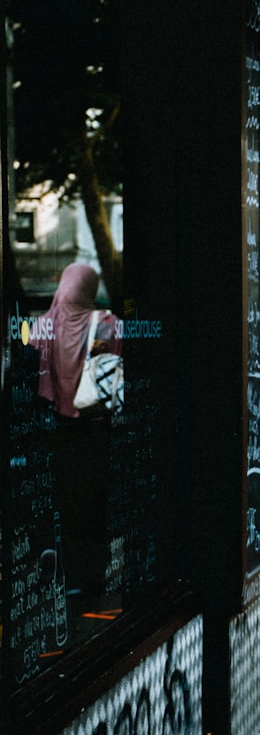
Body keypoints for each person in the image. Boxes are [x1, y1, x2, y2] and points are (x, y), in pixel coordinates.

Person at [31, 263, 123, 628]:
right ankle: (93, 578)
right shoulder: (108, 324)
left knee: (65, 504)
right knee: (96, 505)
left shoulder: (45, 326)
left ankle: (68, 577)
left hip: (59, 431)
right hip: (96, 429)